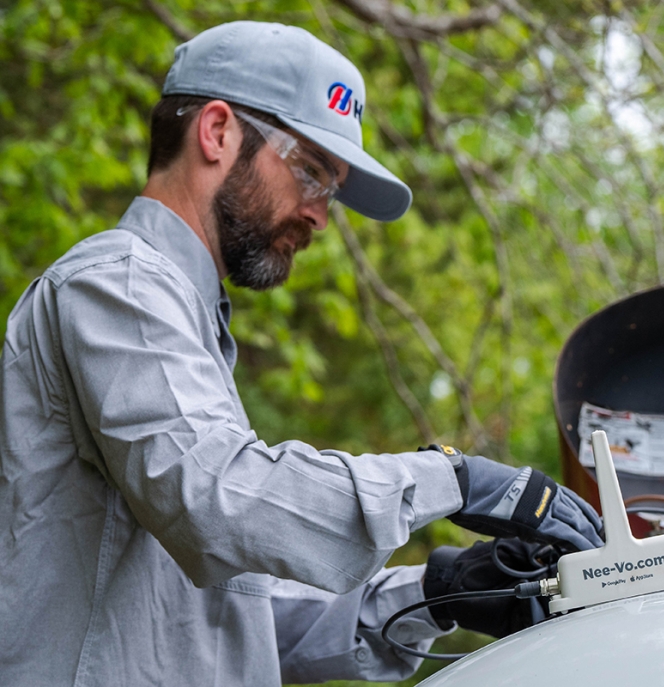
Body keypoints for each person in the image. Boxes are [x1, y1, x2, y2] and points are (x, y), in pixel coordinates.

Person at [0, 21, 603, 687]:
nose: (320, 214)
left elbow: (233, 619)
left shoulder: (182, 321)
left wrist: (444, 589)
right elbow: (217, 499)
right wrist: (455, 480)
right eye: (312, 172)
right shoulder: (119, 285)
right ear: (217, 131)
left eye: (330, 189)